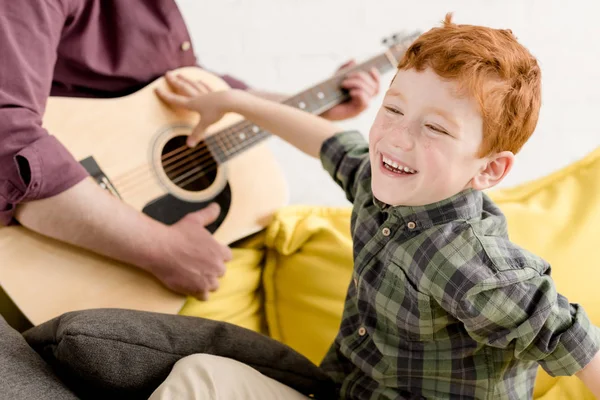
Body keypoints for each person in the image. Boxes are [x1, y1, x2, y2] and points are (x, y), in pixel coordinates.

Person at [152, 13, 600, 400]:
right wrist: (234, 102)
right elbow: (325, 139)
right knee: (197, 375)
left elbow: (575, 338)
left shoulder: (476, 265)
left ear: (488, 170)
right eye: (393, 109)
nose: (397, 138)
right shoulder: (379, 184)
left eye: (436, 130)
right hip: (344, 387)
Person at [0, 0, 380, 301]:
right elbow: (9, 139)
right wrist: (159, 249)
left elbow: (189, 90)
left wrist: (313, 105)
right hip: (52, 253)